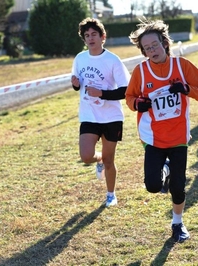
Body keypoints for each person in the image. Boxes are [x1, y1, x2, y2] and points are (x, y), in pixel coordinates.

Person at [126, 19, 198, 243]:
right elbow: (130, 97)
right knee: (153, 186)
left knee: (178, 186)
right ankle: (164, 169)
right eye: (147, 48)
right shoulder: (141, 71)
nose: (152, 51)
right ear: (143, 51)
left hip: (178, 137)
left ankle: (177, 223)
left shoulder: (181, 66)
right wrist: (138, 104)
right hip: (152, 136)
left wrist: (186, 89)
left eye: (154, 45)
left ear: (164, 43)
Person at [70, 18, 131, 207]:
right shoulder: (80, 59)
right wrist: (76, 84)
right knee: (86, 156)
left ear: (103, 37)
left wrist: (102, 94)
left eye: (94, 34)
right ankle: (99, 161)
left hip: (111, 117)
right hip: (89, 114)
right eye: (86, 35)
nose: (90, 38)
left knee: (110, 159)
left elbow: (125, 90)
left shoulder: (113, 60)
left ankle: (111, 194)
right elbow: (77, 83)